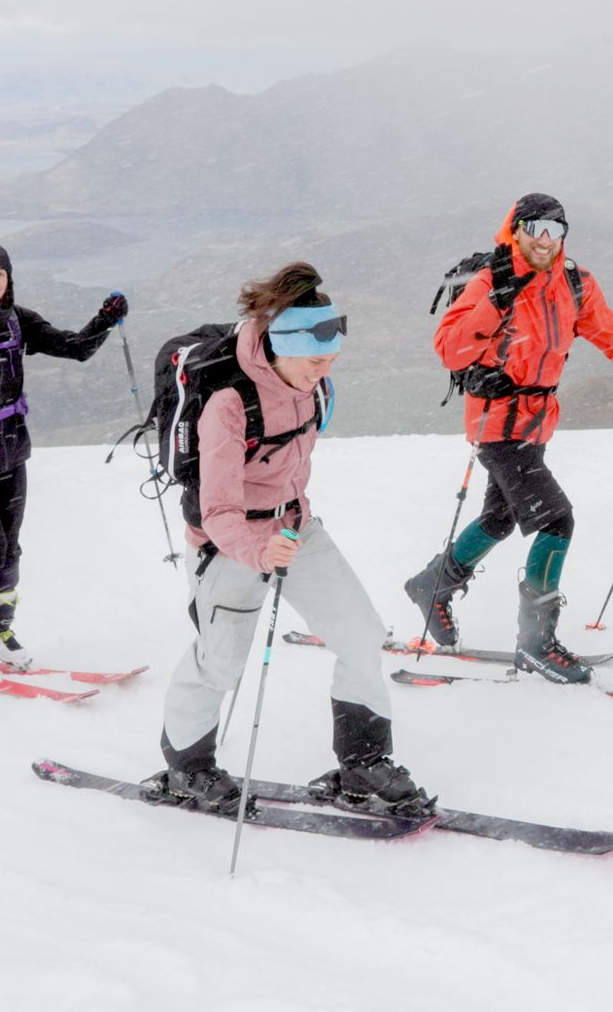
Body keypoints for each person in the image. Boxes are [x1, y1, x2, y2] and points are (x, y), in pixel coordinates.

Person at [149, 262, 434, 818]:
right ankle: (188, 767)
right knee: (219, 661)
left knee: (360, 634)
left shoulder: (311, 382)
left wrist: (287, 529)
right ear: (279, 347)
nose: (325, 372)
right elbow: (219, 507)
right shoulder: (228, 402)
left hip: (296, 526)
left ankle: (363, 762)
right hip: (227, 542)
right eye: (314, 361)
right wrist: (258, 550)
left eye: (331, 360)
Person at [404, 192, 613, 685]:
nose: (545, 240)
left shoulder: (575, 285)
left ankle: (431, 585)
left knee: (500, 518)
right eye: (535, 229)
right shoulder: (492, 281)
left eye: (555, 230)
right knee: (556, 520)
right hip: (496, 425)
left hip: (537, 423)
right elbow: (450, 350)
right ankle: (536, 642)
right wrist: (499, 298)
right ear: (515, 230)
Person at [0, 244, 127, 679]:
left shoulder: (18, 320)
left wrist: (104, 320)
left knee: (10, 546)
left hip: (12, 452)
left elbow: (75, 348)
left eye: (0, 273)